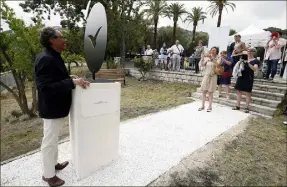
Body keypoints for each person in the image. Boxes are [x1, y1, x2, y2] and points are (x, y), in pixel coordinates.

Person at [34, 27, 90, 187]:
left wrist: (73, 79)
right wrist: (72, 82)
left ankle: (53, 164)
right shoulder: (46, 58)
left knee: (53, 139)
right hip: (51, 108)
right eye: (61, 37)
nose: (65, 40)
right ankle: (48, 175)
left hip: (56, 107)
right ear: (52, 40)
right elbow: (45, 87)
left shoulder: (53, 56)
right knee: (49, 141)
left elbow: (56, 78)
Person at [232, 47, 259, 113]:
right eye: (248, 51)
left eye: (251, 51)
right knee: (238, 91)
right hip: (241, 76)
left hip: (248, 78)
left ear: (254, 52)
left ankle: (247, 107)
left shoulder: (255, 60)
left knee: (248, 93)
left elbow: (255, 69)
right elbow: (233, 55)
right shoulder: (243, 59)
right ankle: (237, 106)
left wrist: (248, 63)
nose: (249, 52)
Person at [198, 47, 219, 112]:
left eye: (214, 50)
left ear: (216, 52)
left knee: (210, 92)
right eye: (212, 50)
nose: (212, 51)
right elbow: (202, 65)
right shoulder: (207, 58)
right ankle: (202, 106)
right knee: (204, 91)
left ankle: (210, 106)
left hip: (213, 76)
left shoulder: (218, 58)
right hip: (206, 75)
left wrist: (212, 59)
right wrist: (202, 58)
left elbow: (218, 65)